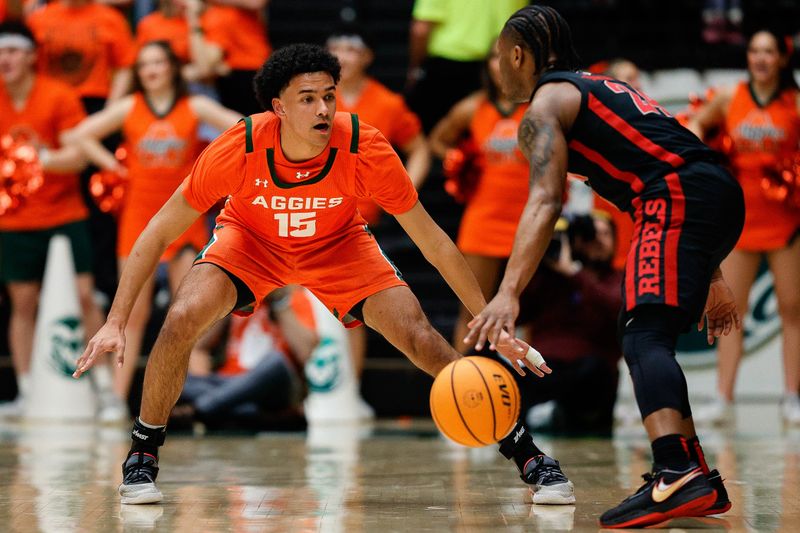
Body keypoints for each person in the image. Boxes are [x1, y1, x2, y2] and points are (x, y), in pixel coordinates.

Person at [71, 44, 572, 506]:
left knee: (420, 336)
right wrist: (116, 320)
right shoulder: (239, 146)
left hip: (339, 245)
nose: (323, 109)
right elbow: (156, 233)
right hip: (251, 241)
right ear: (279, 107)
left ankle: (529, 455)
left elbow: (434, 240)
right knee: (181, 318)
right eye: (307, 99)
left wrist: (488, 320)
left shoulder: (364, 146)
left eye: (329, 96)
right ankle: (142, 453)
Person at [465, 6, 745, 528]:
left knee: (641, 334)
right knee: (642, 327)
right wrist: (712, 270)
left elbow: (545, 202)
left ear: (519, 55)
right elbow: (679, 151)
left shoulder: (544, 105)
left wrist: (507, 293)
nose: (499, 68)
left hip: (676, 195)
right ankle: (693, 474)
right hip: (712, 193)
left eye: (502, 57)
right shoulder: (600, 85)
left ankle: (675, 471)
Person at [65, 40, 241, 401]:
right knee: (132, 313)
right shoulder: (130, 107)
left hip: (184, 217)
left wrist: (213, 168)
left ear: (172, 68)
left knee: (189, 314)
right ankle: (116, 400)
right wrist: (112, 165)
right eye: (144, 64)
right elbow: (78, 135)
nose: (151, 70)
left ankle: (192, 397)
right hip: (138, 220)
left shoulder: (195, 105)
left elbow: (244, 128)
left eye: (158, 62)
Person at [0, 20, 122, 420]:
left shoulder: (58, 95)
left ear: (32, 55)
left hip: (63, 215)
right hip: (14, 221)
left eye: (14, 51)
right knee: (23, 304)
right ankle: (27, 390)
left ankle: (105, 389)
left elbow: (80, 158)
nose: (6, 59)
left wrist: (40, 158)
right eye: (1, 51)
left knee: (86, 297)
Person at [688, 29, 800, 425]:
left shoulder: (795, 102)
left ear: (782, 60)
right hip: (739, 222)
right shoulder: (730, 97)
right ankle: (723, 398)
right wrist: (699, 151)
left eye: (770, 51)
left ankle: (791, 397)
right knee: (728, 311)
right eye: (755, 51)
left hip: (786, 225)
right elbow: (697, 121)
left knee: (793, 311)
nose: (761, 58)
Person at [326, 26, 431, 408]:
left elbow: (420, 148)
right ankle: (323, 393)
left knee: (352, 311)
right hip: (315, 216)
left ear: (367, 56)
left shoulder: (386, 103)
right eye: (334, 46)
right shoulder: (317, 101)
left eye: (349, 48)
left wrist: (400, 193)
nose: (341, 55)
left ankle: (348, 392)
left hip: (360, 223)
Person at [428, 41, 529, 353]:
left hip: (528, 222)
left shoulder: (538, 106)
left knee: (525, 311)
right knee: (474, 309)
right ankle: (461, 383)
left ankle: (525, 389)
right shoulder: (473, 107)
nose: (501, 67)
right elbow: (438, 140)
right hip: (484, 220)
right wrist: (460, 162)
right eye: (494, 60)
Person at [517, 213, 623, 436]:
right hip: (543, 370)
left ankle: (554, 414)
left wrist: (575, 273)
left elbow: (617, 309)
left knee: (594, 369)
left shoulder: (618, 279)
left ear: (615, 241)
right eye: (590, 235)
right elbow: (517, 314)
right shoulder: (550, 277)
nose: (597, 240)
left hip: (589, 375)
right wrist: (534, 262)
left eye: (605, 234)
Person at [174, 286, 315, 429]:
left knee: (277, 361)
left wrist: (280, 302)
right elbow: (198, 347)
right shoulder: (239, 299)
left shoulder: (295, 298)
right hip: (230, 383)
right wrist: (226, 305)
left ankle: (202, 408)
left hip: (273, 388)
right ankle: (233, 409)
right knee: (177, 381)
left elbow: (305, 352)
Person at [406, 0, 527, 132]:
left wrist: (416, 69)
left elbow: (420, 30)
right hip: (501, 59)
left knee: (433, 132)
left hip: (448, 64)